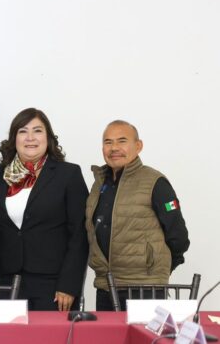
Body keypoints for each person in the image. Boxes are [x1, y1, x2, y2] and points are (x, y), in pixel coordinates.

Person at [0, 108, 88, 311]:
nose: (30, 138)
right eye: (23, 131)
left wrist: (69, 285)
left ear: (48, 137)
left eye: (37, 131)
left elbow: (79, 235)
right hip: (9, 281)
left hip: (54, 285)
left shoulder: (68, 174)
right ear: (14, 138)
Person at [86, 120, 189, 311]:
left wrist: (156, 269)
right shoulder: (99, 183)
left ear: (138, 146)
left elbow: (179, 236)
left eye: (122, 141)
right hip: (106, 287)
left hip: (145, 289)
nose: (114, 148)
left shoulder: (155, 182)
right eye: (108, 142)